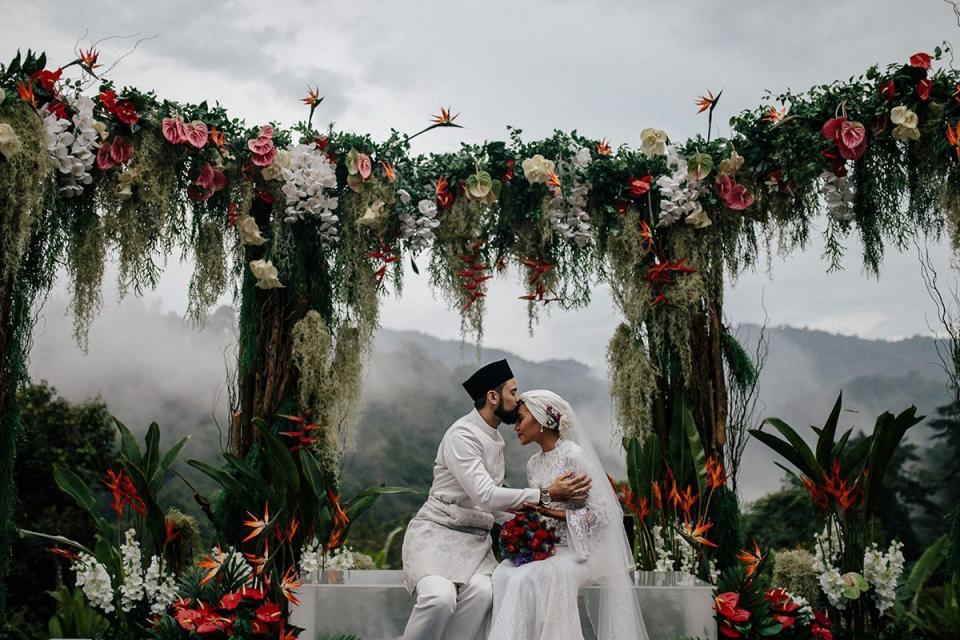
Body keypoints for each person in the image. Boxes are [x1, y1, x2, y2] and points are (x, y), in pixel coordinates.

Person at [400, 361, 592, 640]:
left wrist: (535, 521)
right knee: (439, 599)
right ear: (493, 397)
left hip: (476, 543)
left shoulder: (495, 438)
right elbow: (486, 495)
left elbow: (494, 505)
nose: (518, 399)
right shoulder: (462, 435)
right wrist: (547, 494)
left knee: (483, 593)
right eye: (513, 392)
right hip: (438, 533)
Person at [488, 389, 649, 640]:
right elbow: (542, 513)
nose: (516, 426)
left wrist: (546, 509)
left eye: (520, 418)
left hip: (587, 550)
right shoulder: (533, 463)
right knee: (504, 573)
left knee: (525, 578)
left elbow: (601, 514)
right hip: (554, 547)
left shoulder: (574, 455)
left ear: (542, 420)